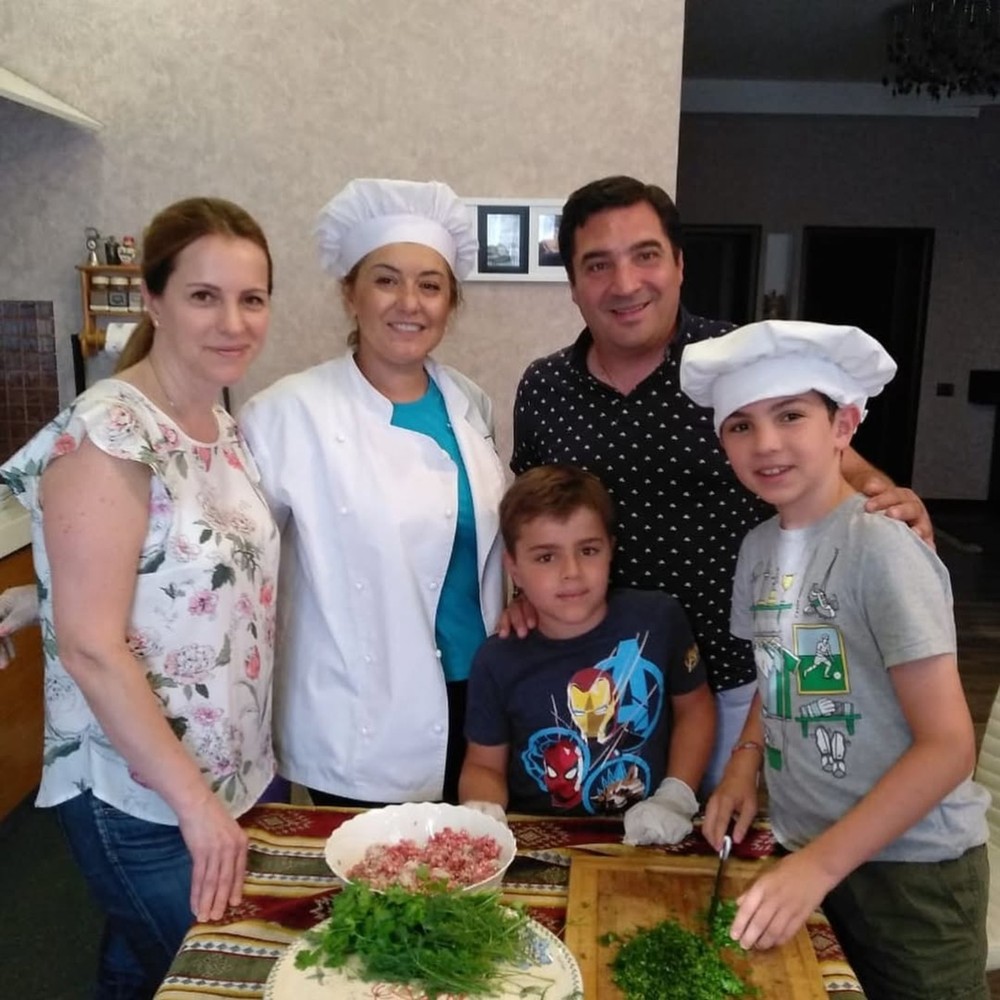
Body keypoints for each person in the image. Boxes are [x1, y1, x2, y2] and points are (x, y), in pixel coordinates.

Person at [508, 175, 934, 792]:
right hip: (599, 685)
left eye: (646, 255)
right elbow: (532, 514)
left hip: (739, 678)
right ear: (573, 284)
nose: (625, 283)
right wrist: (522, 594)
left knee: (725, 835)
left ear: (679, 264)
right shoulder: (545, 388)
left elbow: (832, 457)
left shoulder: (735, 362)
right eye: (597, 265)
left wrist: (884, 495)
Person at [0, 197, 280, 999]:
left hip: (228, 767)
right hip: (145, 794)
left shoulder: (216, 421)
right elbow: (92, 646)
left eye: (252, 298)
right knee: (223, 981)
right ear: (153, 299)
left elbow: (173, 565)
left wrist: (41, 592)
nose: (233, 322)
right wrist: (197, 808)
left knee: (138, 967)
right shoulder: (112, 430)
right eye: (204, 296)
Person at [685, 320, 989, 1000]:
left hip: (912, 874)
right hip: (808, 845)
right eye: (741, 425)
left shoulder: (881, 547)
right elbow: (778, 669)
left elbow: (948, 748)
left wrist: (819, 866)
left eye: (790, 415)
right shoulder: (758, 548)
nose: (766, 443)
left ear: (843, 424)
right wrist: (744, 764)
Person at [238, 178, 506, 808]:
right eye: (386, 280)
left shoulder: (469, 404)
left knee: (473, 861)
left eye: (430, 286)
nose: (409, 303)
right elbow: (231, 560)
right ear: (349, 292)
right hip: (358, 715)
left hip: (480, 701)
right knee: (372, 868)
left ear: (450, 302)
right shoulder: (285, 414)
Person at [460, 464, 715, 843]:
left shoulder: (658, 619)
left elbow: (695, 709)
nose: (572, 571)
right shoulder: (495, 660)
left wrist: (676, 794)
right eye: (546, 557)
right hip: (539, 839)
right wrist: (483, 812)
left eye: (588, 550)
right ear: (513, 566)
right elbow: (484, 765)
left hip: (656, 835)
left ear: (611, 549)